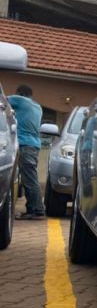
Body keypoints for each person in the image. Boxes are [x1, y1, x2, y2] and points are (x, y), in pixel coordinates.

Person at [8, 84, 45, 219]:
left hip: (25, 144)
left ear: (20, 94)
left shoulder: (20, 100)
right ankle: (33, 209)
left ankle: (36, 211)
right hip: (34, 145)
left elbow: (3, 101)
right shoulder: (37, 107)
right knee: (29, 178)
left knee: (30, 179)